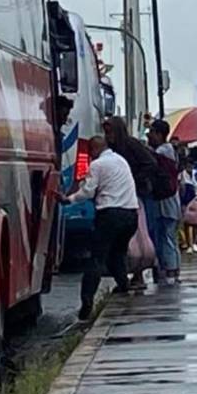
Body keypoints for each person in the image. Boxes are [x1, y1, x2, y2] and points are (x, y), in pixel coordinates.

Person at [62, 137, 138, 320]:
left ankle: (87, 300)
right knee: (118, 252)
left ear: (94, 149)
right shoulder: (121, 161)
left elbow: (88, 191)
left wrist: (69, 199)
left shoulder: (97, 165)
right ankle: (123, 284)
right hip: (131, 214)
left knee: (97, 258)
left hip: (110, 214)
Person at [103, 116, 159, 288]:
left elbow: (151, 163)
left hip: (136, 195)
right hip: (122, 196)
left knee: (139, 235)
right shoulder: (112, 149)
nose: (108, 135)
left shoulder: (130, 145)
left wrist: (133, 179)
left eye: (110, 131)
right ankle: (131, 274)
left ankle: (138, 273)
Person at [147, 121, 182, 285]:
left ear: (160, 134)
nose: (149, 136)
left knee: (166, 236)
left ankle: (170, 270)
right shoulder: (169, 151)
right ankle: (171, 269)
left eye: (152, 132)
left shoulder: (162, 151)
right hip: (169, 201)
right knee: (168, 236)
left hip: (166, 202)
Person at [178, 160, 197, 253]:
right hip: (185, 202)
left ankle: (194, 243)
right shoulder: (181, 175)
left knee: (195, 222)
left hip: (196, 200)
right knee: (186, 223)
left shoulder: (196, 174)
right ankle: (187, 243)